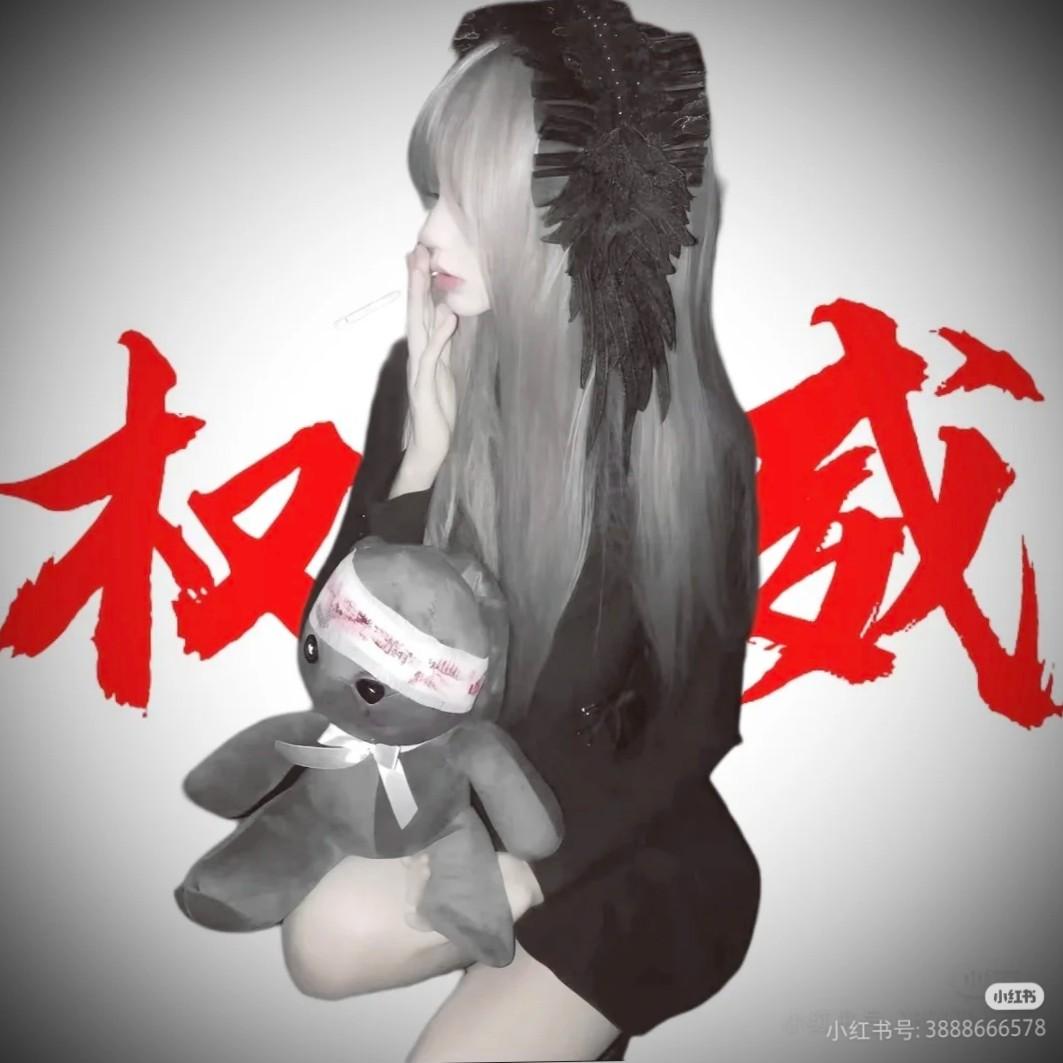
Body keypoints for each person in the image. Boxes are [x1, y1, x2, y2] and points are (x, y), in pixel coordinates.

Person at [283, 3, 761, 1060]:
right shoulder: (427, 375)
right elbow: (339, 663)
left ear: (568, 223)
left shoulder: (688, 446)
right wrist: (419, 464)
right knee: (321, 940)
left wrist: (535, 877)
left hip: (631, 848)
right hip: (481, 809)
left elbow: (695, 728)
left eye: (463, 202)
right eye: (431, 195)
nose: (426, 236)